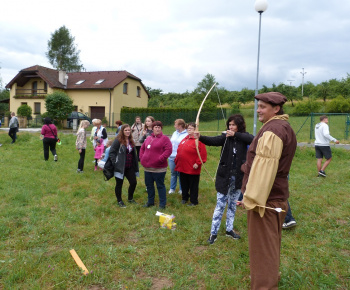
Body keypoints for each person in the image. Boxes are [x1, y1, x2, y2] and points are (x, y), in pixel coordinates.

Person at [240, 92, 297, 289]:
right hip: (276, 198)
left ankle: (264, 285)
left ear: (276, 109)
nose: (258, 110)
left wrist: (252, 199)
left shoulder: (273, 131)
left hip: (266, 200)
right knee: (270, 245)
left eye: (263, 106)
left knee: (263, 249)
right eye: (258, 106)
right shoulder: (282, 127)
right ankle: (270, 276)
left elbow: (263, 171)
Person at [196, 115, 253, 244]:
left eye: (233, 125)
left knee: (232, 205)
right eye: (229, 125)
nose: (230, 127)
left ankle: (229, 230)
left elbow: (253, 139)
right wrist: (200, 137)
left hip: (238, 177)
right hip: (224, 177)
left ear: (239, 125)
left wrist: (236, 134)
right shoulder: (225, 137)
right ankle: (213, 233)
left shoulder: (243, 137)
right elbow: (213, 140)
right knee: (220, 205)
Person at [140, 121, 172, 209]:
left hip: (159, 168)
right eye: (155, 127)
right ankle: (150, 202)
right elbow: (142, 149)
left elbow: (168, 150)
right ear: (152, 128)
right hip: (147, 168)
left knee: (160, 186)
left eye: (159, 127)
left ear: (161, 128)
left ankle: (162, 204)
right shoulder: (149, 138)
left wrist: (160, 159)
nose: (157, 129)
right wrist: (142, 158)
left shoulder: (165, 139)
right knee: (149, 186)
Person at [175, 122, 207, 206]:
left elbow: (202, 154)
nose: (189, 130)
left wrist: (198, 163)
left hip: (192, 167)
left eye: (191, 128)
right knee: (184, 183)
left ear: (195, 130)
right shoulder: (185, 138)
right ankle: (184, 198)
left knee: (193, 185)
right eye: (188, 128)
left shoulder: (199, 140)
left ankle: (193, 201)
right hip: (182, 166)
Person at [109, 124, 139, 208]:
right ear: (122, 131)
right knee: (119, 184)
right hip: (120, 167)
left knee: (133, 182)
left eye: (129, 130)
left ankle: (130, 198)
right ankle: (119, 201)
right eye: (126, 130)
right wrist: (115, 163)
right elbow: (112, 152)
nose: (128, 132)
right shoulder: (118, 140)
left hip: (130, 166)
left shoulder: (131, 140)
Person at [168, 119, 188, 195]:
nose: (174, 126)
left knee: (181, 173)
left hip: (180, 157)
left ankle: (181, 189)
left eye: (175, 125)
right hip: (171, 157)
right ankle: (172, 189)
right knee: (173, 173)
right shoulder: (174, 133)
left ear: (179, 126)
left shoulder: (186, 134)